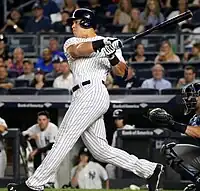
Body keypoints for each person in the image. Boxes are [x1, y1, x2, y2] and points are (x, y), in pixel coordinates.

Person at [7, 8, 163, 191]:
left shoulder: (109, 45)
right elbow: (78, 50)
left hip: (94, 92)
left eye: (75, 22)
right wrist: (102, 43)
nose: (72, 25)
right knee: (100, 151)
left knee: (64, 137)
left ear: (86, 22)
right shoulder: (73, 42)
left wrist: (112, 55)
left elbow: (124, 74)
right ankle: (149, 169)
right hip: (81, 95)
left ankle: (34, 184)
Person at [147, 82, 200, 191]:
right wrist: (169, 123)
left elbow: (198, 132)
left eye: (192, 95)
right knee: (169, 151)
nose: (188, 99)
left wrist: (172, 123)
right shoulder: (194, 118)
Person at [22, 111, 58, 187]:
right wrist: (29, 137)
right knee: (38, 175)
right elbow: (22, 135)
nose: (41, 122)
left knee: (50, 178)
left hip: (53, 154)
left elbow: (52, 145)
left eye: (44, 119)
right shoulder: (35, 127)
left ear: (48, 120)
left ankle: (51, 186)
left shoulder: (53, 128)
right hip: (41, 154)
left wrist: (36, 151)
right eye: (39, 120)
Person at [106, 109, 135, 179]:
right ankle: (115, 185)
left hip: (132, 156)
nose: (116, 121)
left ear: (124, 119)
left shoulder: (130, 129)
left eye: (119, 119)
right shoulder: (116, 132)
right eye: (115, 119)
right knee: (109, 167)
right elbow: (113, 148)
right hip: (120, 156)